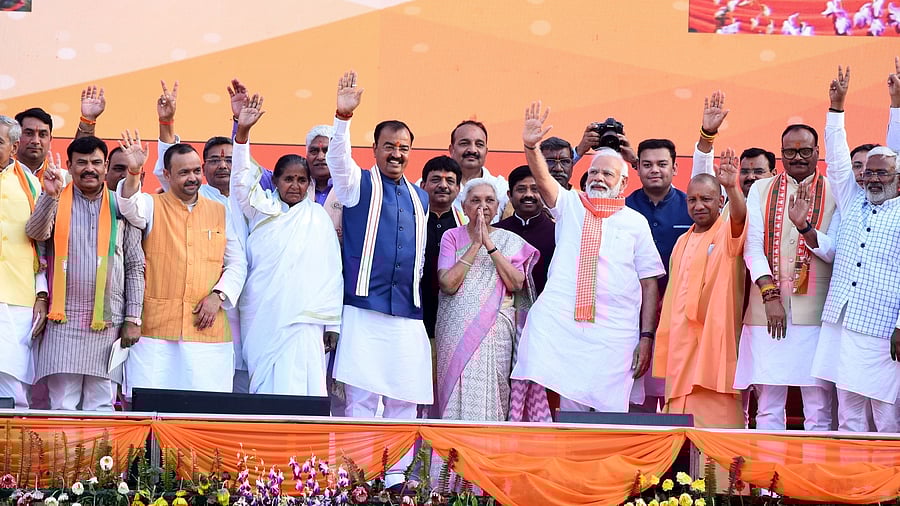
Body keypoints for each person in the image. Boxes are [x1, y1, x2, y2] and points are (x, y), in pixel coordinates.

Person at [510, 102, 664, 420]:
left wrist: (646, 337)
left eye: (607, 173)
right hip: (568, 329)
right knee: (571, 412)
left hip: (616, 335)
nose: (597, 178)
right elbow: (542, 180)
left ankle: (610, 472)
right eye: (592, 172)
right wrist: (530, 146)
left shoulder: (635, 222)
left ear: (623, 183)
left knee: (613, 415)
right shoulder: (571, 205)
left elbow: (650, 284)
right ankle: (573, 470)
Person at [326, 71, 433, 419]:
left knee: (404, 401)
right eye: (389, 146)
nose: (396, 154)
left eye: (404, 148)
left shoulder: (421, 198)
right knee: (362, 402)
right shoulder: (358, 184)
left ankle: (397, 475)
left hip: (407, 312)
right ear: (374, 149)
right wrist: (343, 118)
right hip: (364, 310)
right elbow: (338, 163)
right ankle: (359, 474)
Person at [116, 129, 247, 397]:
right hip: (155, 332)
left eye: (196, 171)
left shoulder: (220, 211)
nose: (193, 178)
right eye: (184, 172)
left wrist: (218, 295)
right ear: (167, 175)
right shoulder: (152, 205)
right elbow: (128, 204)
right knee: (150, 411)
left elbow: (237, 263)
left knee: (205, 413)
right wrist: (133, 172)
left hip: (206, 330)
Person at [231, 96, 343, 396]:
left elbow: (332, 272)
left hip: (306, 320)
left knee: (305, 388)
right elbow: (241, 178)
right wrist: (242, 133)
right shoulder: (260, 207)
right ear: (275, 181)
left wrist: (332, 322)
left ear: (309, 183)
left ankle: (304, 442)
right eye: (288, 179)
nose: (295, 185)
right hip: (262, 314)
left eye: (302, 180)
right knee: (265, 386)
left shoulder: (318, 217)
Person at [149, 80, 254, 394]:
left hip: (240, 303)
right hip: (194, 313)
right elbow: (171, 163)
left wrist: (240, 123)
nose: (223, 165)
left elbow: (238, 262)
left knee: (233, 389)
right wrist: (166, 123)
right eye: (214, 160)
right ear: (201, 167)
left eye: (229, 159)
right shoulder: (185, 196)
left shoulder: (248, 196)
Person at [24, 136, 144, 411]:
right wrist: (50, 197)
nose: (89, 168)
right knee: (62, 404)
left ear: (106, 167)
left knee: (102, 404)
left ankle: (99, 457)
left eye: (96, 163)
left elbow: (135, 266)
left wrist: (133, 317)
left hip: (107, 321)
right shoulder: (56, 197)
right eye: (81, 162)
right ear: (69, 165)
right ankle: (63, 457)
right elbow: (36, 233)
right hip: (61, 322)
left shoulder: (122, 206)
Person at [812, 65, 900, 432]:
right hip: (844, 321)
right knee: (847, 411)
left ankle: (888, 489)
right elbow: (835, 159)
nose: (873, 178)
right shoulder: (853, 200)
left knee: (885, 415)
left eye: (882, 173)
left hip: (883, 330)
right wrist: (836, 108)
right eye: (869, 172)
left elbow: (896, 147)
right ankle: (852, 487)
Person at [735, 120, 839, 431]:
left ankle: (811, 479)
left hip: (816, 313)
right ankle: (769, 480)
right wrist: (770, 296)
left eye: (805, 150)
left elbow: (833, 251)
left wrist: (805, 227)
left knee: (818, 408)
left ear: (817, 152)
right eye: (789, 151)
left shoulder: (835, 190)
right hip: (766, 310)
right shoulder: (761, 190)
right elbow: (751, 246)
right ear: (781, 154)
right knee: (767, 405)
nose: (797, 157)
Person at [654, 149, 747, 428]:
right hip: (680, 344)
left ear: (720, 202)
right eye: (692, 200)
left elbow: (740, 218)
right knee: (678, 427)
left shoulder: (726, 230)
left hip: (713, 342)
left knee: (714, 426)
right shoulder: (682, 239)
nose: (698, 206)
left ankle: (720, 474)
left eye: (706, 199)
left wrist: (732, 187)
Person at [435, 178, 538, 421]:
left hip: (496, 333)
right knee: (453, 396)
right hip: (455, 331)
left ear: (498, 206)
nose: (483, 206)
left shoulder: (509, 241)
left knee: (494, 397)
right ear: (464, 206)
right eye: (475, 201)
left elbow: (516, 283)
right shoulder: (452, 236)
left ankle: (487, 455)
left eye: (489, 200)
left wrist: (489, 245)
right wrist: (475, 245)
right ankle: (448, 458)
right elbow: (448, 284)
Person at [626, 137, 692, 412]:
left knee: (677, 392)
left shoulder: (692, 207)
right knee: (635, 391)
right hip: (632, 315)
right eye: (647, 164)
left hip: (680, 315)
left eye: (662, 164)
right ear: (637, 168)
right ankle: (639, 452)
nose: (655, 170)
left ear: (675, 168)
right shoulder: (623, 209)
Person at [0, 115, 47, 408]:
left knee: (13, 389)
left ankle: (13, 453)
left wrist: (42, 293)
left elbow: (44, 248)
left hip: (18, 298)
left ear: (14, 147)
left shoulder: (32, 185)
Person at [495, 165, 556, 295]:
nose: (528, 195)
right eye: (521, 189)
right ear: (509, 195)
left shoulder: (557, 233)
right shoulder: (496, 233)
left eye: (535, 189)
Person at [448, 120, 508, 222]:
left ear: (486, 151)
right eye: (464, 143)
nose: (472, 150)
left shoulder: (502, 188)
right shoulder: (432, 185)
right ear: (451, 149)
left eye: (479, 144)